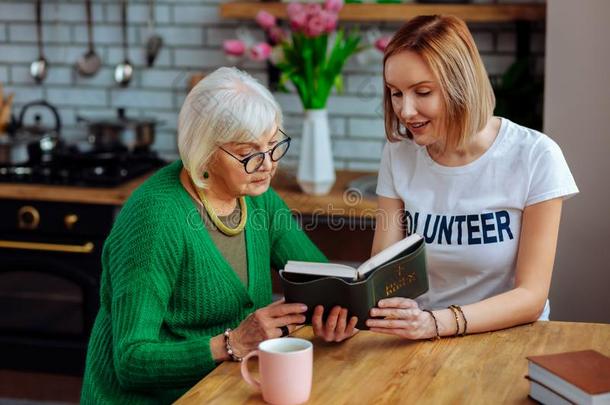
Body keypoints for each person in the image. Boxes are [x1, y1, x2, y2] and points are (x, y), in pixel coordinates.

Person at [81, 67, 355, 404]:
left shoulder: (259, 198)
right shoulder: (155, 219)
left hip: (225, 389)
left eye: (273, 145)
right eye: (248, 154)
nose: (267, 164)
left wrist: (336, 313)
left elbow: (320, 278)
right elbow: (131, 361)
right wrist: (233, 343)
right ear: (204, 151)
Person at [366, 15, 578, 340]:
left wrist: (436, 323)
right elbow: (382, 271)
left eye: (422, 92)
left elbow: (531, 297)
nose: (405, 111)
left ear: (460, 86)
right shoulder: (398, 156)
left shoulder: (536, 156)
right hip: (421, 340)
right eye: (396, 93)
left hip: (509, 340)